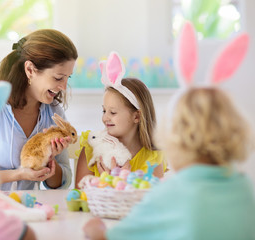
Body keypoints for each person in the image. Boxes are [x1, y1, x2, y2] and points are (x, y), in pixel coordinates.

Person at [83, 87, 255, 240]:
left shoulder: (169, 193)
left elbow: (109, 237)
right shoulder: (244, 187)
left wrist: (95, 229)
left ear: (174, 139)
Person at [0, 29, 78, 191]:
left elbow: (63, 182)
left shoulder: (53, 112)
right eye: (58, 78)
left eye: (67, 77)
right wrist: (19, 174)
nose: (64, 87)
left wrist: (50, 162)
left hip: (29, 209)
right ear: (30, 70)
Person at [75, 52, 166, 188]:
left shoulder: (152, 158)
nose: (105, 118)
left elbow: (153, 204)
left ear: (136, 116)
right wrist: (106, 183)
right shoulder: (92, 147)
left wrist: (118, 184)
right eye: (104, 111)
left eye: (113, 112)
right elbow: (78, 199)